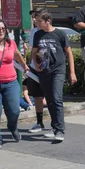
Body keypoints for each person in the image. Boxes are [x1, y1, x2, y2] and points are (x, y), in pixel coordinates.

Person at [31, 10, 77, 142]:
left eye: (39, 21)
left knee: (56, 98)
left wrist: (72, 72)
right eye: (36, 20)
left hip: (58, 70)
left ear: (48, 21)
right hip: (44, 71)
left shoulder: (60, 34)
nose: (37, 22)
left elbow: (69, 53)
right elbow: (34, 52)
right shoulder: (38, 34)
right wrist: (36, 64)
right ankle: (54, 127)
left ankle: (60, 130)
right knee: (50, 100)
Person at [0, 19, 30, 147]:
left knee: (14, 111)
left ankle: (12, 127)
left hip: (10, 82)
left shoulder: (10, 43)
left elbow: (17, 55)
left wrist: (24, 65)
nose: (1, 31)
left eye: (2, 28)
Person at [25, 8, 48, 133]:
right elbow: (33, 51)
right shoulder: (33, 31)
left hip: (48, 69)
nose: (34, 19)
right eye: (33, 17)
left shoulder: (51, 32)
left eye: (36, 16)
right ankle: (39, 123)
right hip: (35, 68)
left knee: (51, 96)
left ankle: (57, 124)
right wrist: (29, 65)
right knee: (38, 96)